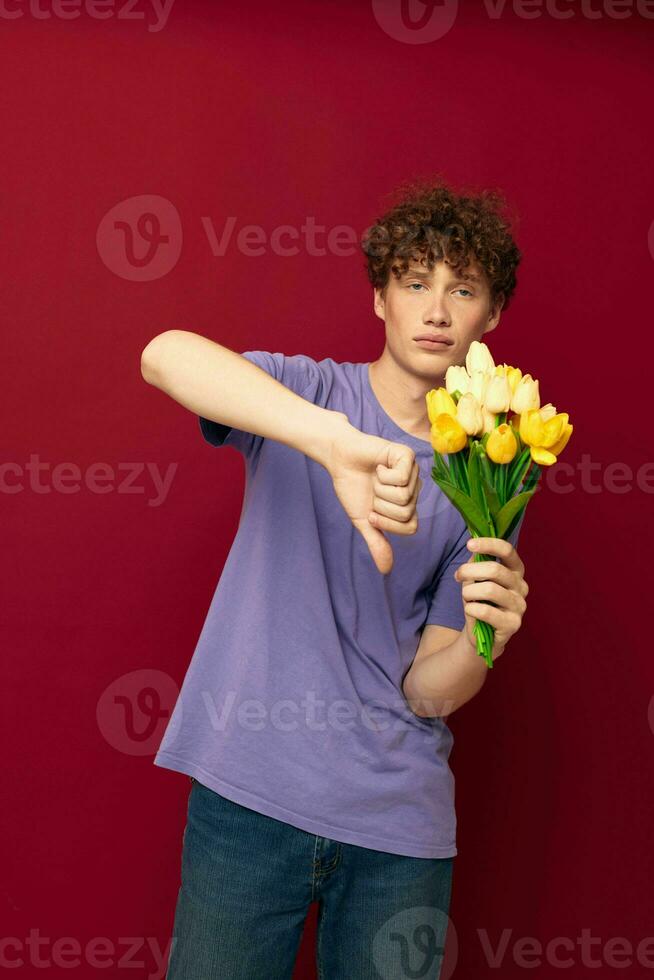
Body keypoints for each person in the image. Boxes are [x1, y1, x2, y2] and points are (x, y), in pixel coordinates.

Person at [140, 177, 529, 980]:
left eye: (462, 290)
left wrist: (488, 640)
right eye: (414, 282)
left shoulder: (492, 471)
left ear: (490, 317)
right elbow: (164, 355)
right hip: (248, 799)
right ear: (380, 298)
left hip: (397, 827)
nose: (434, 309)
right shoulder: (308, 394)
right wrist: (328, 442)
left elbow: (431, 689)